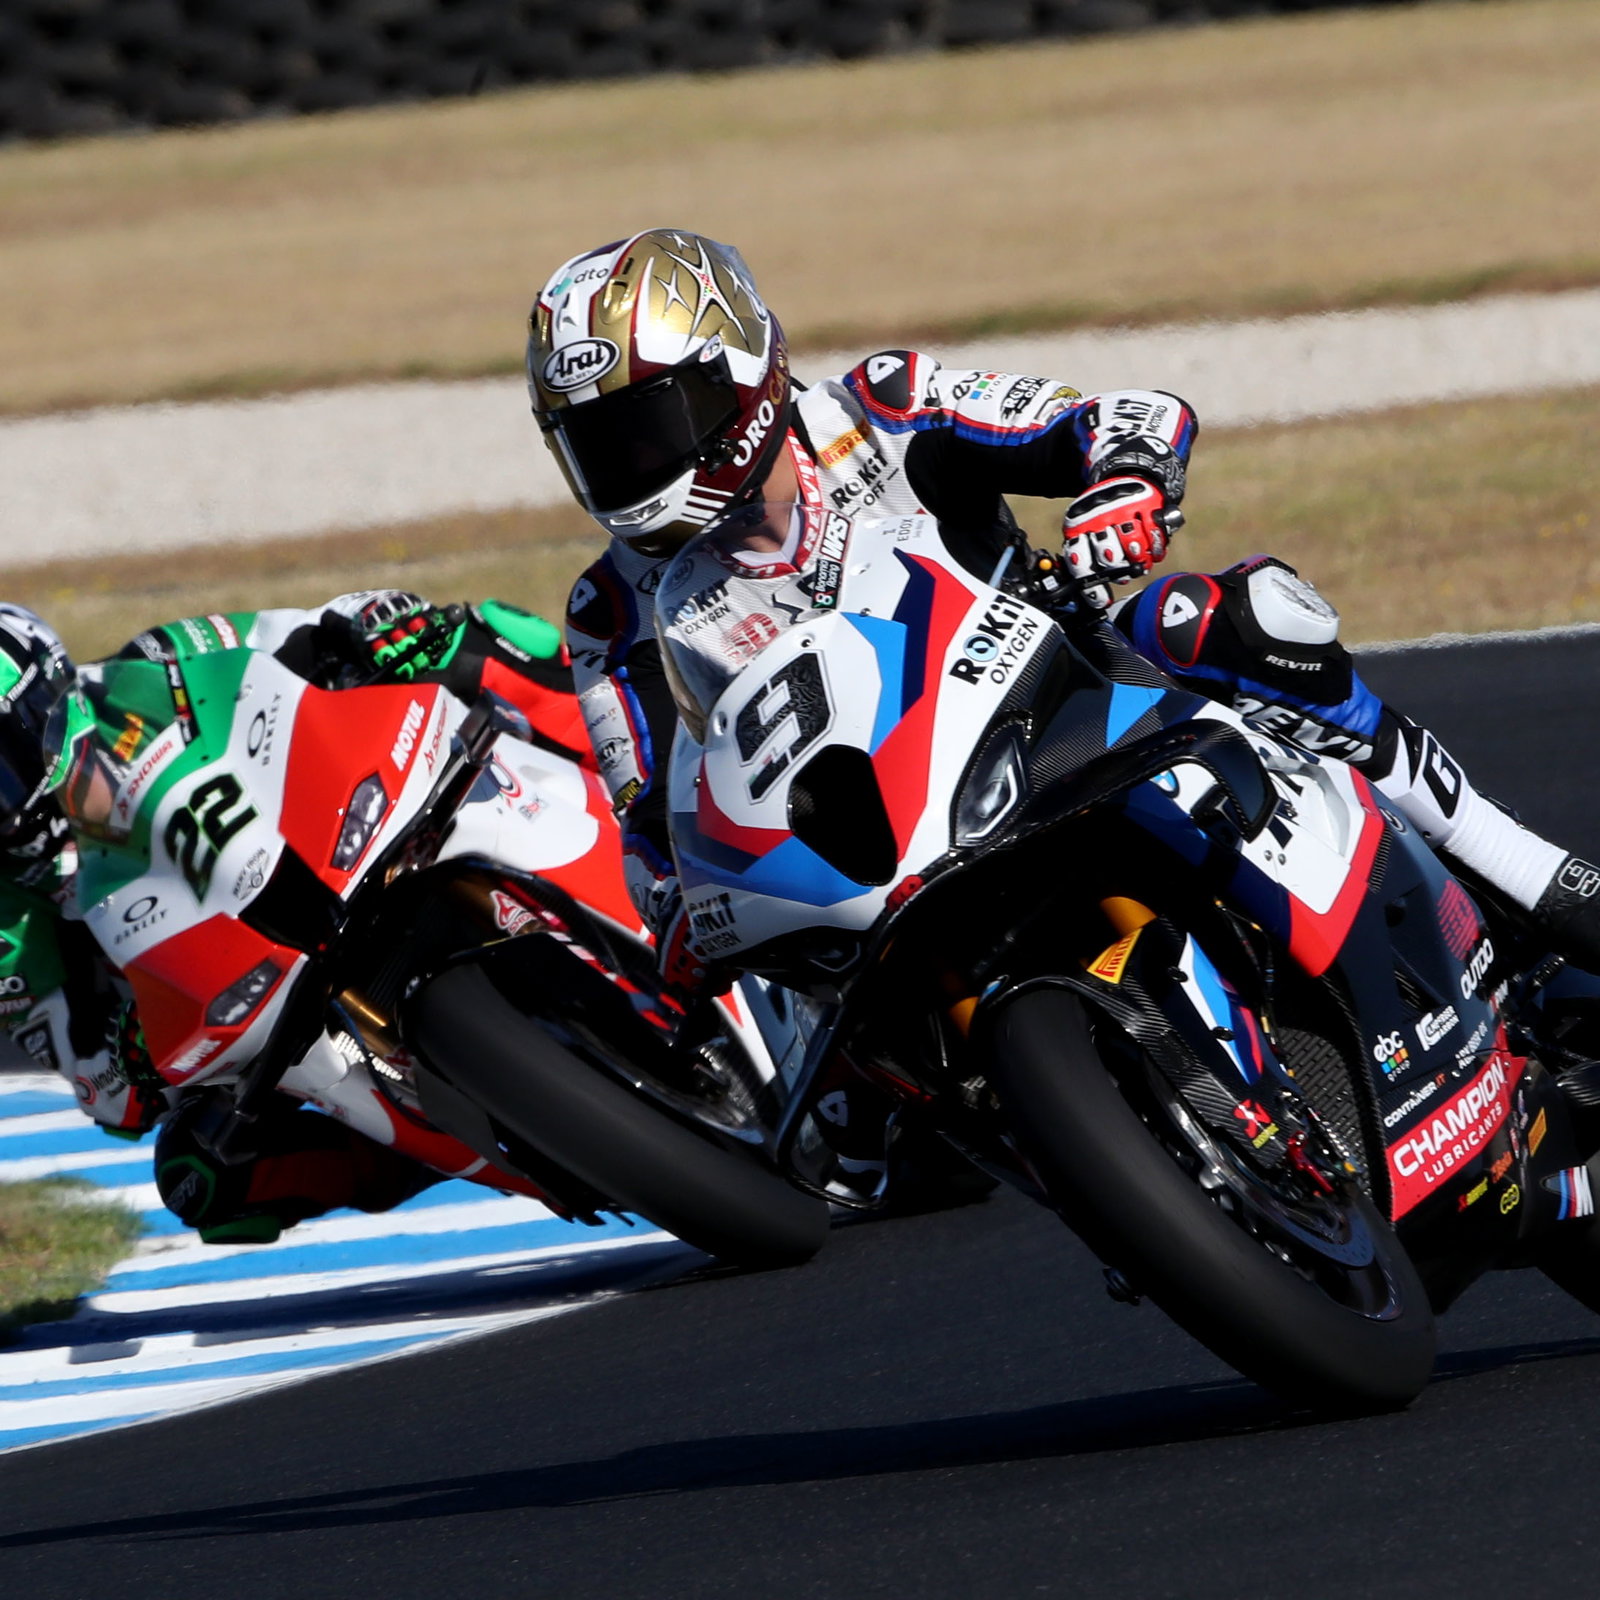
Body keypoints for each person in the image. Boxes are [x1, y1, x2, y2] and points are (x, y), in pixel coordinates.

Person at [526, 228, 1600, 992]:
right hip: (876, 850)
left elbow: (1115, 417)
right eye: (594, 446)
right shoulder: (609, 612)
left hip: (1064, 701)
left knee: (1224, 618)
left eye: (644, 429)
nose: (627, 471)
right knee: (837, 1138)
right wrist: (679, 914)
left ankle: (1524, 867)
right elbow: (651, 828)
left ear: (738, 379)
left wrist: (1125, 487)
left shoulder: (878, 406)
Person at [0, 592, 587, 1244]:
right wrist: (129, 1054)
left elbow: (310, 627)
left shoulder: (155, 665)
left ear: (43, 695)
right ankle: (507, 1145)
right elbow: (97, 1080)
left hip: (338, 824)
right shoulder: (7, 923)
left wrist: (381, 630)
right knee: (205, 1170)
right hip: (244, 1003)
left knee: (482, 638)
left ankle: (636, 798)